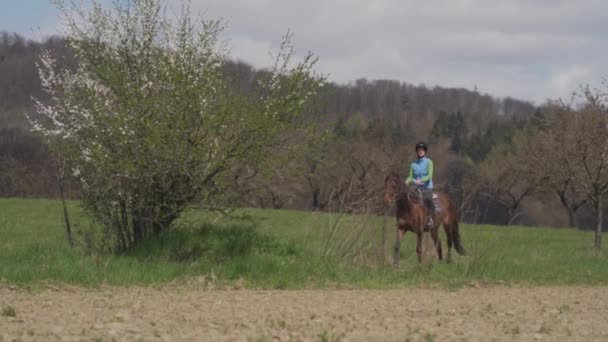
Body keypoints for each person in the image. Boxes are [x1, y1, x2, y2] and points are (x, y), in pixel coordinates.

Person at [405, 141, 435, 227]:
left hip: (426, 186)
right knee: (406, 196)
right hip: (415, 186)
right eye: (419, 150)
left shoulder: (429, 162)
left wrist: (422, 180)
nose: (420, 151)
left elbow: (429, 175)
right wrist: (406, 181)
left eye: (422, 150)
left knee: (428, 198)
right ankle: (406, 216)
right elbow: (410, 176)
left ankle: (430, 219)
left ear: (425, 151)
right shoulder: (413, 164)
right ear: (417, 151)